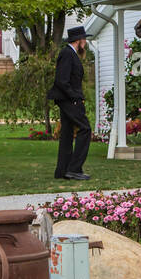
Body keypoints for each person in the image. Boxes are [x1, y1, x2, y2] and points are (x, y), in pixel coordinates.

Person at [47, 26, 92, 180]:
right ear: (78, 40)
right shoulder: (67, 54)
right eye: (84, 39)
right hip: (69, 99)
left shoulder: (70, 54)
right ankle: (74, 169)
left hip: (67, 99)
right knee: (85, 129)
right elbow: (62, 80)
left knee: (66, 133)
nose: (85, 42)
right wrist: (75, 98)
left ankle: (62, 171)